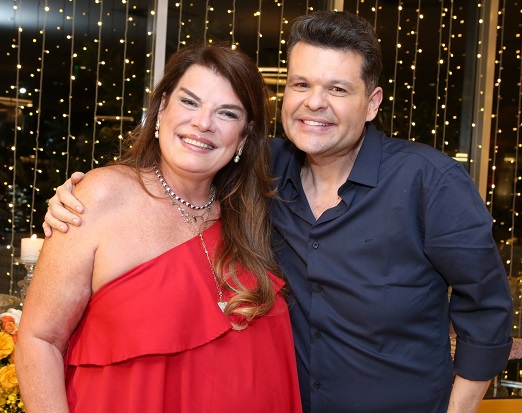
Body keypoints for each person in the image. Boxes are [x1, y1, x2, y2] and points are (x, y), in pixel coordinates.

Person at [42, 10, 514, 413]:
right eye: (301, 84)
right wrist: (84, 196)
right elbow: (186, 160)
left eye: (337, 89)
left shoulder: (429, 182)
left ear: (371, 104)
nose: (315, 103)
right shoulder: (259, 172)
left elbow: (487, 310)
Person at [15, 43, 302, 413]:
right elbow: (40, 340)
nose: (203, 123)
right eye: (190, 102)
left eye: (227, 113)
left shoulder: (254, 213)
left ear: (244, 138)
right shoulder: (100, 196)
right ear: (163, 107)